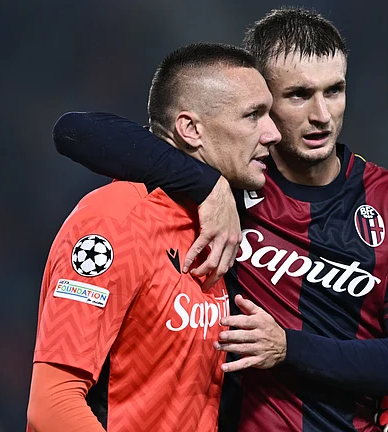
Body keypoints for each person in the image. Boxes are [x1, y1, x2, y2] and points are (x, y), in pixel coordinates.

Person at [53, 7, 388, 432]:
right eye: (298, 95)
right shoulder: (237, 178)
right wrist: (206, 184)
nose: (322, 115)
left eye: (334, 91)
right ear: (262, 98)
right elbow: (76, 131)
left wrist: (287, 347)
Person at [26, 42, 281, 432]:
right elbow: (52, 406)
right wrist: (207, 184)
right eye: (253, 116)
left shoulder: (223, 224)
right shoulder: (114, 223)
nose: (273, 133)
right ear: (191, 128)